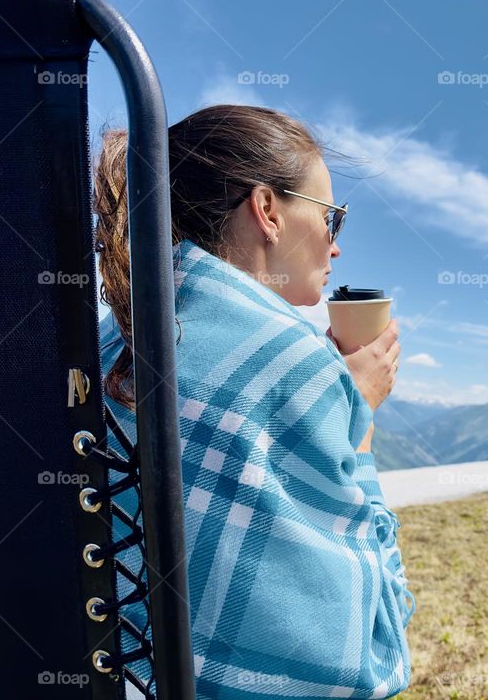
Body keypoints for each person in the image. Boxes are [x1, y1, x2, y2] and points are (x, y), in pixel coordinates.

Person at [95, 104, 414, 698]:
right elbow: (361, 661)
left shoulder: (109, 334)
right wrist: (357, 422)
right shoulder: (296, 363)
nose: (334, 248)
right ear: (268, 210)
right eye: (332, 219)